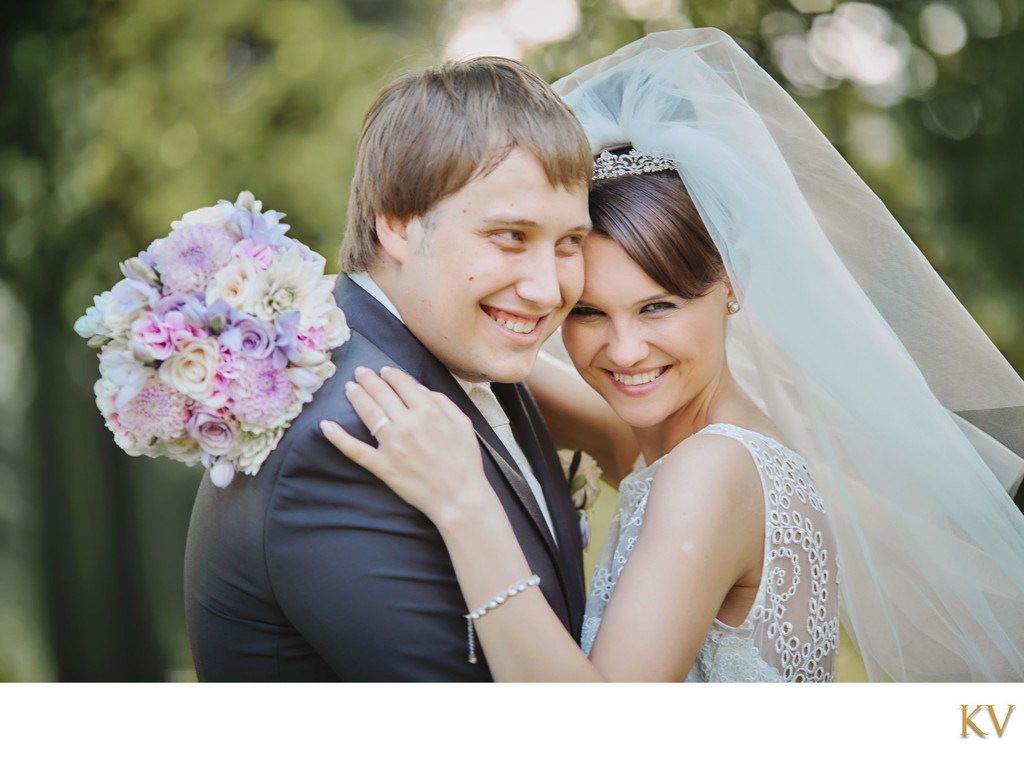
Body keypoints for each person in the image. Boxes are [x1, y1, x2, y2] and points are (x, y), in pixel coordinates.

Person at [322, 29, 1024, 681]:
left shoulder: (714, 473)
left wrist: (464, 504)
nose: (624, 350)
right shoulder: (658, 441)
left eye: (659, 307)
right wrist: (280, 310)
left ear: (730, 287)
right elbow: (475, 347)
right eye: (588, 312)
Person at [183, 56, 594, 681]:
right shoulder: (349, 438)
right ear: (398, 224)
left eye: (569, 243)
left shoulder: (462, 350)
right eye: (511, 235)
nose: (546, 288)